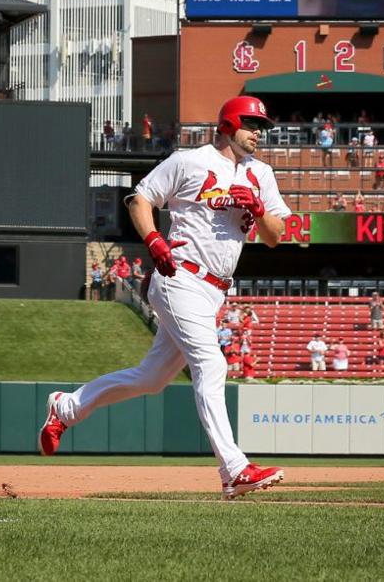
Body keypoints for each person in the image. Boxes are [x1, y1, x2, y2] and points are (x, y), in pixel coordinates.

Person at [40, 96, 288, 500]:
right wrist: (154, 240)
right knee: (211, 363)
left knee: (151, 380)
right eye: (251, 122)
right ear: (227, 123)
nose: (258, 132)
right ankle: (234, 470)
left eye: (263, 126)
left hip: (215, 291)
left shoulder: (261, 173)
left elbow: (276, 236)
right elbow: (140, 198)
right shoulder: (189, 160)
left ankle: (66, 408)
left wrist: (260, 210)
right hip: (180, 277)